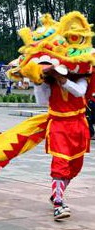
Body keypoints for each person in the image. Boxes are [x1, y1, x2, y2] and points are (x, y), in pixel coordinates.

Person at [35, 65, 90, 220]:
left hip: (78, 126)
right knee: (60, 164)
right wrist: (37, 83)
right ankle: (58, 204)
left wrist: (63, 80)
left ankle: (56, 194)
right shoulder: (49, 83)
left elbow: (79, 92)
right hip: (58, 126)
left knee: (75, 167)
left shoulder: (82, 78)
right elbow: (42, 102)